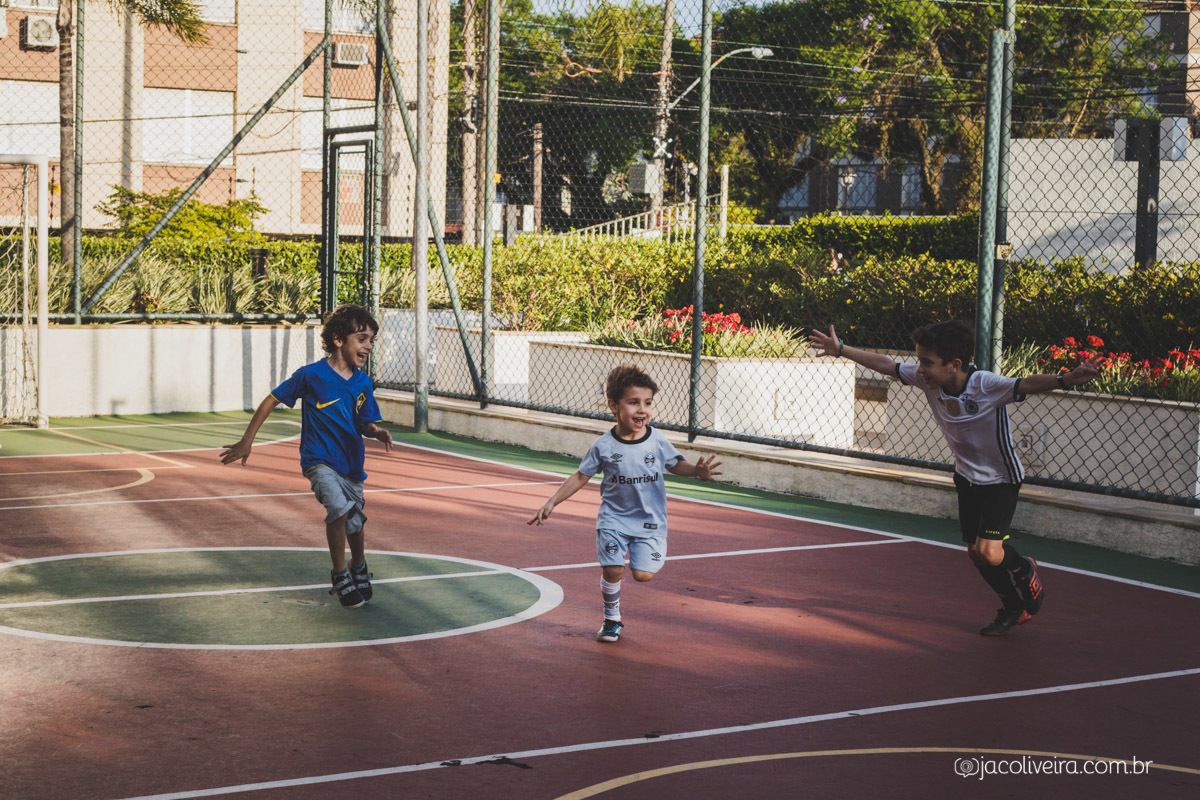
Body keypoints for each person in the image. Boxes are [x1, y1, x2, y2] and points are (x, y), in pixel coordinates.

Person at [809, 321, 1100, 636]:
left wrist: (1066, 379)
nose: (919, 369)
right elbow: (887, 365)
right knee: (975, 552)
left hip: (1001, 479)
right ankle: (1013, 607)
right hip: (966, 477)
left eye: (927, 362)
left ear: (955, 365)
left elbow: (1027, 384)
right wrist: (840, 350)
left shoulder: (985, 384)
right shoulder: (929, 381)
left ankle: (1022, 566)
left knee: (990, 551)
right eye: (919, 360)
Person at [528, 364, 723, 643]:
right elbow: (581, 476)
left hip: (650, 520)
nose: (642, 409)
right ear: (613, 406)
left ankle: (643, 557)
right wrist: (551, 502)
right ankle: (612, 619)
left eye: (647, 403)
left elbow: (676, 465)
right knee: (613, 568)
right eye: (633, 403)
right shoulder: (603, 446)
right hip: (614, 519)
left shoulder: (656, 440)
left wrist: (697, 472)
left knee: (643, 575)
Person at [220, 304, 394, 609]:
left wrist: (374, 431)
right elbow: (271, 400)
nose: (368, 346)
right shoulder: (311, 376)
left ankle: (359, 565)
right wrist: (248, 441)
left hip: (352, 465)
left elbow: (363, 421)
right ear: (339, 339)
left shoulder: (363, 383)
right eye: (362, 338)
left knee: (354, 522)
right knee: (338, 510)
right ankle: (340, 574)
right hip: (318, 461)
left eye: (371, 341)